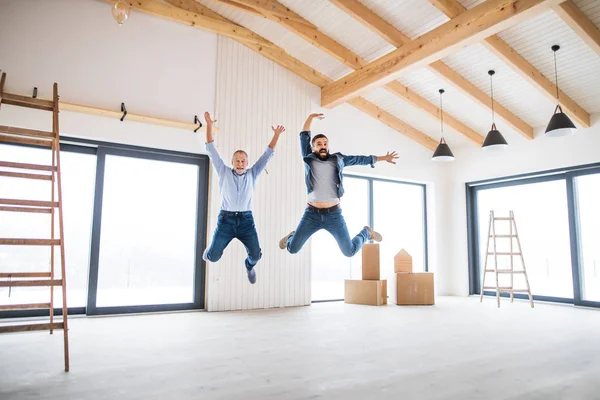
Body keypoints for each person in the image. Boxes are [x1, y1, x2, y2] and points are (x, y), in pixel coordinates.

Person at [279, 113, 398, 257]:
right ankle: (292, 237)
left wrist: (383, 158)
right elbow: (304, 135)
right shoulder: (308, 158)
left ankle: (366, 233)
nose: (323, 146)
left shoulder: (338, 159)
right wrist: (310, 118)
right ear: (313, 148)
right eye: (319, 144)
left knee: (349, 251)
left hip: (334, 215)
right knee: (292, 249)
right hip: (311, 215)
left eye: (325, 143)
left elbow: (359, 159)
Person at [203, 112, 285, 284]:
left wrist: (276, 135)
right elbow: (211, 149)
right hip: (226, 220)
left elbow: (267, 155)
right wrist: (209, 126)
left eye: (243, 161)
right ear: (232, 161)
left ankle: (249, 266)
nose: (240, 164)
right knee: (213, 257)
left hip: (246, 221)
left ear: (247, 163)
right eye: (237, 161)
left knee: (256, 254)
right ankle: (209, 252)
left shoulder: (252, 173)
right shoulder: (223, 171)